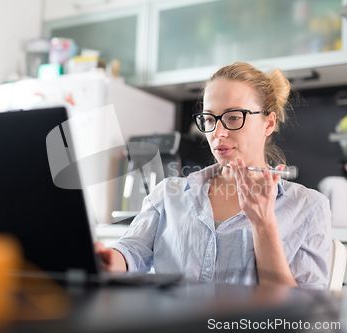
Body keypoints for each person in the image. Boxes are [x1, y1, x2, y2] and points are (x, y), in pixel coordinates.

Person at [95, 62, 332, 289]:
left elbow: (304, 313)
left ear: (268, 124)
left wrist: (264, 225)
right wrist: (108, 259)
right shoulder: (168, 195)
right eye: (209, 119)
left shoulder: (308, 207)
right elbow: (132, 251)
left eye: (234, 117)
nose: (218, 132)